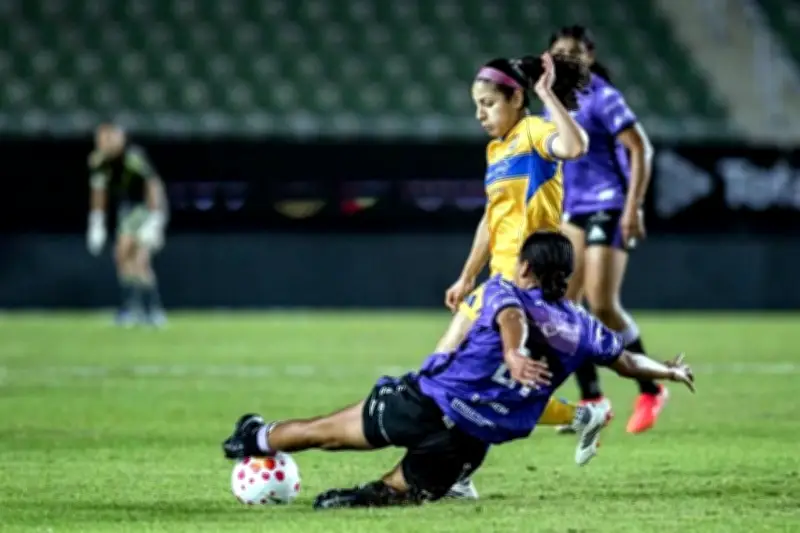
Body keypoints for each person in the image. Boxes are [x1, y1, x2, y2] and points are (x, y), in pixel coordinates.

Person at [221, 231, 695, 510]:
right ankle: (258, 436)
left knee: (324, 434)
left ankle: (260, 439)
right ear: (566, 275)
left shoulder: (502, 290)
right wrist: (667, 372)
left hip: (426, 407)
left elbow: (512, 320)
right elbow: (627, 361)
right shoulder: (584, 326)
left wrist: (513, 352)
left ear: (526, 265)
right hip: (467, 438)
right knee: (397, 493)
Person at [438, 53, 589, 500]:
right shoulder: (497, 149)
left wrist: (547, 98)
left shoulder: (534, 134)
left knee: (463, 382)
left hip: (524, 288)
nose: (480, 114)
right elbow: (491, 219)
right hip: (495, 283)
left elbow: (575, 145)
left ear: (516, 97)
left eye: (488, 103)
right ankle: (579, 417)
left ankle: (458, 475)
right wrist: (467, 276)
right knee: (445, 371)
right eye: (477, 105)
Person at [547, 26, 664, 434]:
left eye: (575, 53)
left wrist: (635, 207)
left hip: (609, 204)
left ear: (590, 56)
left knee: (602, 305)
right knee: (564, 306)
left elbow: (640, 147)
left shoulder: (603, 96)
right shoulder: (553, 100)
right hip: (572, 210)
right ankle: (593, 399)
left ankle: (650, 389)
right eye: (560, 53)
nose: (567, 60)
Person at [86, 123, 169, 327]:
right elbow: (99, 191)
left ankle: (149, 310)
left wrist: (156, 219)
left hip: (146, 208)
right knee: (125, 259)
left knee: (136, 257)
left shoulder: (133, 157)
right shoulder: (99, 162)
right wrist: (96, 221)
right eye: (101, 139)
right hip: (128, 208)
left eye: (109, 138)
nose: (104, 143)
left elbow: (153, 185)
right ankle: (136, 309)